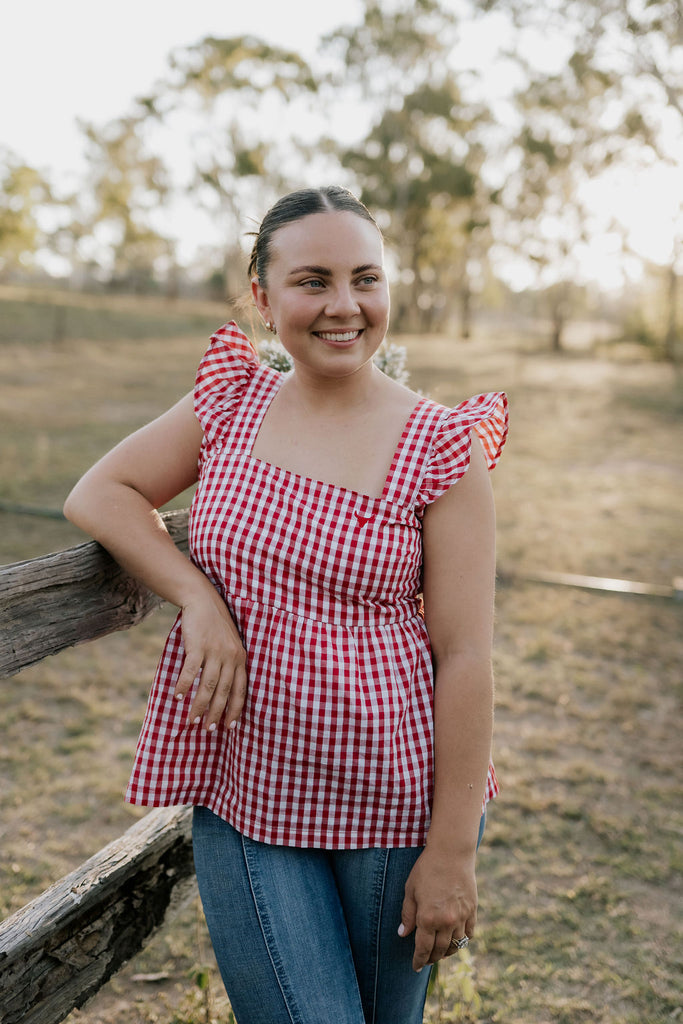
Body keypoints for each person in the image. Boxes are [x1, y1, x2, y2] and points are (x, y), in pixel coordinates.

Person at [63, 185, 508, 1024]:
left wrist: (450, 850)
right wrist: (197, 597)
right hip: (247, 789)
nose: (344, 305)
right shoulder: (231, 401)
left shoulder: (441, 444)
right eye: (313, 281)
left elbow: (465, 655)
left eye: (365, 279)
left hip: (392, 798)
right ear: (263, 300)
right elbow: (101, 493)